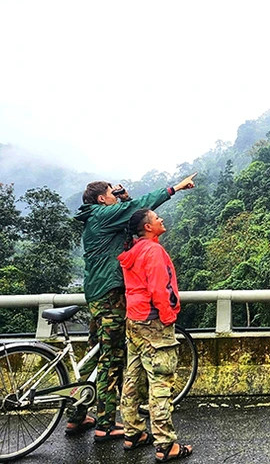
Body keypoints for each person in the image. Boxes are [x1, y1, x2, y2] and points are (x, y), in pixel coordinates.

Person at [65, 173, 196, 442]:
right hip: (111, 294)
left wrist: (125, 198)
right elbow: (139, 213)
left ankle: (76, 416)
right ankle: (105, 424)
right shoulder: (102, 215)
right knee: (111, 360)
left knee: (95, 353)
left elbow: (135, 220)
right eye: (113, 193)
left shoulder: (97, 218)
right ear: (102, 199)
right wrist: (175, 188)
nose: (116, 195)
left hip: (97, 292)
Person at [117, 208, 192, 462]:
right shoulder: (153, 251)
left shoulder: (133, 251)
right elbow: (160, 287)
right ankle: (165, 444)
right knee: (160, 382)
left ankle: (133, 432)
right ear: (148, 227)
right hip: (153, 322)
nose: (160, 218)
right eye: (155, 217)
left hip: (134, 320)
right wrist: (169, 316)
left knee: (133, 378)